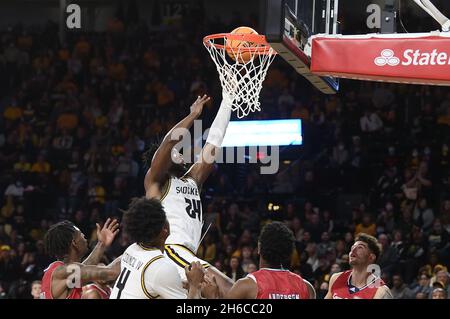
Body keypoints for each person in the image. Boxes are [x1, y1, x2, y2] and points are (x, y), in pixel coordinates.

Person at [143, 94, 234, 296]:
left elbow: (214, 141)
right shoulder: (157, 181)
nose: (180, 152)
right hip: (170, 249)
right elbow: (168, 143)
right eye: (177, 151)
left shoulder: (193, 178)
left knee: (215, 293)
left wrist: (228, 101)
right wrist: (193, 115)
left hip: (185, 254)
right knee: (229, 288)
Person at [109, 197, 205, 299]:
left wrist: (180, 284)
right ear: (165, 229)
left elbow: (151, 280)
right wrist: (195, 285)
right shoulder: (160, 267)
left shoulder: (132, 249)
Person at [199, 222, 316, 299]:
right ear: (289, 253)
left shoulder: (246, 286)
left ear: (259, 247)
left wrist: (211, 296)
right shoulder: (307, 288)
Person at [41, 219, 121, 299]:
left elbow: (85, 267)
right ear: (74, 243)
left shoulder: (61, 272)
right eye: (81, 234)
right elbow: (111, 273)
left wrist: (101, 244)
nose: (84, 237)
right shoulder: (64, 271)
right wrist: (131, 251)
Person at [325, 233, 393, 299]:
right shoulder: (336, 278)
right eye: (352, 247)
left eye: (360, 247)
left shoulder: (381, 291)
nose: (353, 250)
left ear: (371, 257)